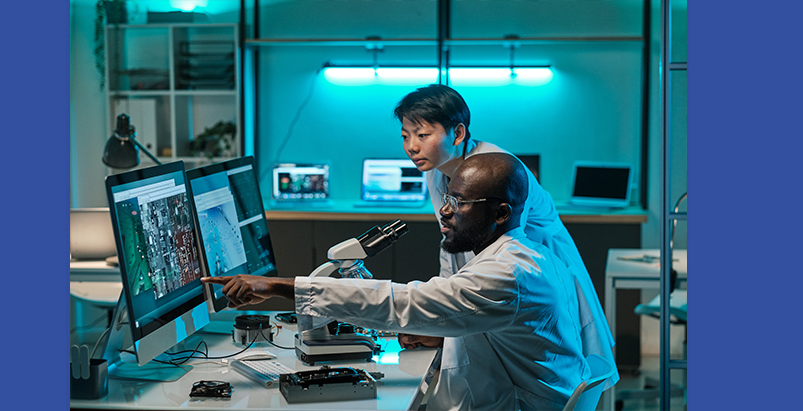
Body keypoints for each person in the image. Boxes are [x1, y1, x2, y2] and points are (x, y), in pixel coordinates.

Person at [203, 153, 589, 410]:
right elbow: (490, 323)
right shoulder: (522, 254)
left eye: (458, 203)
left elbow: (404, 302)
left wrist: (275, 287)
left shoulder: (510, 273)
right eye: (447, 198)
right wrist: (446, 335)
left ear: (501, 213)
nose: (444, 211)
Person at [393, 84, 618, 389]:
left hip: (537, 269)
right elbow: (452, 241)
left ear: (458, 133)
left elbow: (503, 251)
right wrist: (441, 311)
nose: (411, 147)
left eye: (422, 135)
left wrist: (445, 315)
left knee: (555, 375)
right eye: (405, 136)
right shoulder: (437, 171)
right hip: (501, 276)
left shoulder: (495, 168)